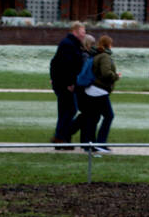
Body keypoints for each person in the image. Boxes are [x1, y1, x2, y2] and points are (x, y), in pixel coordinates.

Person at [49, 21, 88, 150]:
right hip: (66, 85)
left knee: (66, 111)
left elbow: (55, 63)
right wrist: (70, 83)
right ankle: (60, 137)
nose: (84, 34)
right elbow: (66, 66)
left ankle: (61, 138)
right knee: (70, 110)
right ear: (75, 31)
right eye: (83, 32)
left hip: (63, 83)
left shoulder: (71, 44)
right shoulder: (68, 45)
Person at [81, 35, 121, 155]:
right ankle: (100, 143)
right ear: (108, 44)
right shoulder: (105, 56)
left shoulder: (96, 55)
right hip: (99, 91)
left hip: (91, 90)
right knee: (109, 116)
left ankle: (90, 145)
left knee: (93, 118)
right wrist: (116, 76)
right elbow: (106, 73)